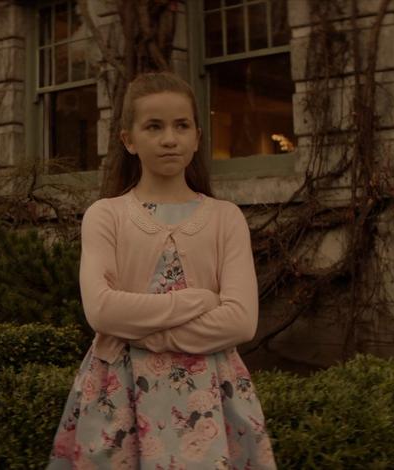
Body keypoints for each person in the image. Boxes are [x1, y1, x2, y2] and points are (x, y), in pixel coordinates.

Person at [47, 72, 276, 469]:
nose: (170, 138)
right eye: (154, 126)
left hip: (210, 395)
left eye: (181, 125)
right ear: (128, 139)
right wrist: (198, 300)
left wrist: (141, 334)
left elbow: (240, 321)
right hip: (118, 394)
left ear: (198, 136)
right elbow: (101, 311)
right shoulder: (107, 216)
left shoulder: (225, 218)